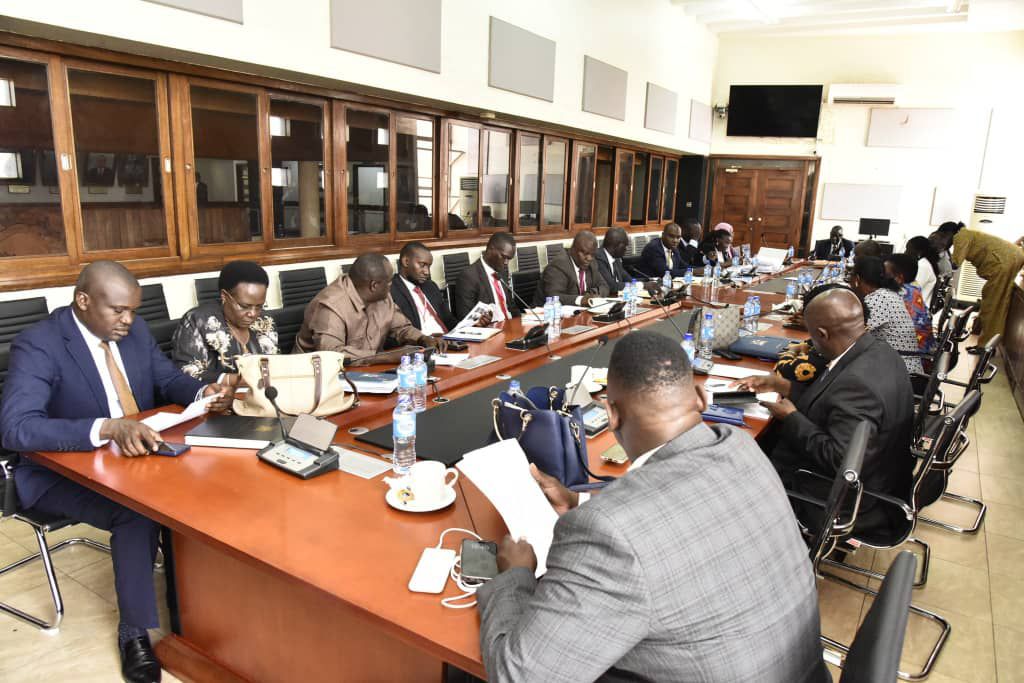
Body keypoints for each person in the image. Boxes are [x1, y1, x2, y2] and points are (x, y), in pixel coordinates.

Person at [477, 331, 826, 683]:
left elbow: (517, 676)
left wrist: (515, 575)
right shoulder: (740, 445)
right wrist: (578, 500)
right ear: (700, 398)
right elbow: (680, 505)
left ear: (612, 414)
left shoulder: (610, 536)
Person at [0, 261, 232, 683]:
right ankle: (134, 632)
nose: (128, 320)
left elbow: (168, 380)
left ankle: (206, 602)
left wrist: (204, 391)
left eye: (133, 311)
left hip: (132, 456)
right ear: (83, 300)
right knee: (137, 512)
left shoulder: (133, 331)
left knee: (210, 474)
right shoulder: (39, 344)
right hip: (59, 471)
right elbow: (17, 427)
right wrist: (106, 428)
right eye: (118, 310)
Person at [739, 287, 915, 538]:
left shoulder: (858, 383)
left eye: (812, 336)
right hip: (878, 477)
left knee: (740, 461)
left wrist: (791, 418)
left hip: (837, 500)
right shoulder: (877, 350)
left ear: (822, 334)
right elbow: (830, 401)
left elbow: (839, 460)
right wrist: (781, 385)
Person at [293, 253, 441, 364]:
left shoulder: (382, 297)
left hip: (366, 373)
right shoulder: (330, 306)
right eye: (390, 282)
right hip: (317, 380)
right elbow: (333, 355)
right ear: (374, 286)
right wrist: (385, 357)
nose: (392, 285)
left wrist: (423, 339)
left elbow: (401, 328)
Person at [172, 260, 278, 382]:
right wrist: (234, 380)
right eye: (244, 306)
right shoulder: (198, 321)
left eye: (259, 306)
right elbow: (186, 372)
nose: (253, 314)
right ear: (224, 296)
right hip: (219, 393)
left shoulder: (265, 321)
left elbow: (275, 365)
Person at [931, 221, 1024, 346]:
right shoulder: (967, 234)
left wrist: (936, 257)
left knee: (993, 305)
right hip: (1009, 260)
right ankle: (985, 343)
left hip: (1005, 263)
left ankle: (986, 346)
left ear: (948, 233)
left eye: (942, 237)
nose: (942, 241)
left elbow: (955, 263)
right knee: (993, 303)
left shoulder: (961, 236)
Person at [848, 256, 923, 374]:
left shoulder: (879, 298)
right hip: (896, 364)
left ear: (857, 279)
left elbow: (850, 334)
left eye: (849, 277)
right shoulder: (887, 294)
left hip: (900, 371)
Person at [389, 241, 461, 334]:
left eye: (429, 266)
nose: (427, 272)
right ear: (406, 262)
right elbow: (399, 332)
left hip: (448, 338)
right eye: (422, 265)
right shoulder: (391, 290)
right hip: (421, 341)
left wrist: (468, 328)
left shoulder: (430, 286)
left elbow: (449, 320)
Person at [453, 232, 520, 321]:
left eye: (509, 259)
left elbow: (511, 306)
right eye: (504, 257)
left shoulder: (502, 272)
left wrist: (522, 321)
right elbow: (466, 318)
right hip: (491, 327)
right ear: (491, 249)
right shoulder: (468, 277)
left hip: (511, 324)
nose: (506, 263)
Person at [885, 253, 937, 362]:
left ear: (899, 278)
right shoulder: (913, 289)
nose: (881, 277)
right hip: (922, 353)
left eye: (886, 275)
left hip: (908, 358)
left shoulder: (899, 294)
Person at [538, 230, 608, 306]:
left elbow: (604, 286)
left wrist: (590, 295)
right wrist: (581, 300)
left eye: (592, 254)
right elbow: (553, 296)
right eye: (585, 253)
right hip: (546, 312)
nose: (589, 258)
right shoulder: (558, 266)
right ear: (573, 249)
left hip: (579, 311)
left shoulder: (591, 263)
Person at [904, 236, 940, 307]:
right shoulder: (924, 264)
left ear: (919, 252)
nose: (905, 252)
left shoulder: (923, 266)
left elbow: (910, 291)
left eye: (908, 249)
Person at [594, 226, 630, 296]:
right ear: (616, 246)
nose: (627, 249)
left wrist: (644, 284)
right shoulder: (598, 258)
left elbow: (627, 278)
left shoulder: (616, 258)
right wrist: (640, 285)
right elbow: (611, 286)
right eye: (625, 245)